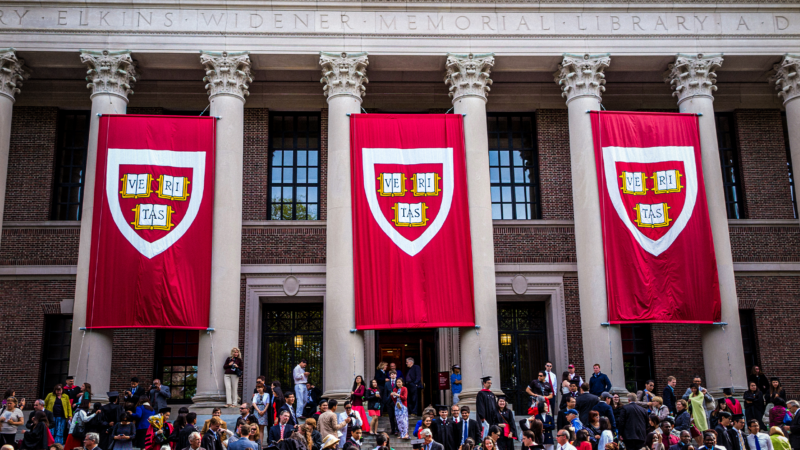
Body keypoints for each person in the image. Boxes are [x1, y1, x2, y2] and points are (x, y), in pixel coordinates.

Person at [385, 371, 400, 436]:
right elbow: (385, 393)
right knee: (391, 417)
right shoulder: (387, 383)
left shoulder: (398, 382)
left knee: (396, 416)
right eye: (392, 374)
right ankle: (392, 429)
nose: (393, 375)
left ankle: (397, 429)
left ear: (396, 375)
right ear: (390, 375)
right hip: (389, 402)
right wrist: (386, 400)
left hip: (396, 402)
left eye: (394, 374)